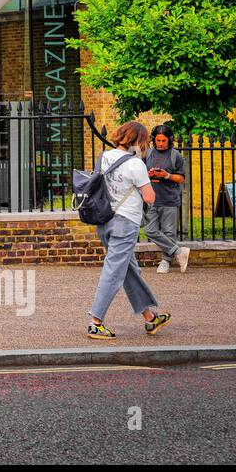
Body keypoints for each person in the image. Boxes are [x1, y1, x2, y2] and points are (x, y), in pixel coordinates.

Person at [87, 121, 172, 340]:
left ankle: (150, 318)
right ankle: (96, 322)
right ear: (137, 141)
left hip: (104, 219)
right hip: (125, 223)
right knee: (114, 271)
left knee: (127, 270)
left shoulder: (104, 156)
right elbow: (149, 197)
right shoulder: (136, 164)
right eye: (144, 141)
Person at [143, 123, 190, 273]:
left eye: (163, 141)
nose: (161, 143)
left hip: (169, 199)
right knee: (149, 230)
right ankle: (178, 251)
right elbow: (140, 174)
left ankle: (165, 261)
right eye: (158, 140)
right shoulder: (148, 154)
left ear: (169, 140)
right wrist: (149, 175)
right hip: (151, 199)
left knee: (169, 232)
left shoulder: (175, 155)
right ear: (153, 140)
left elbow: (181, 179)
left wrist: (166, 175)